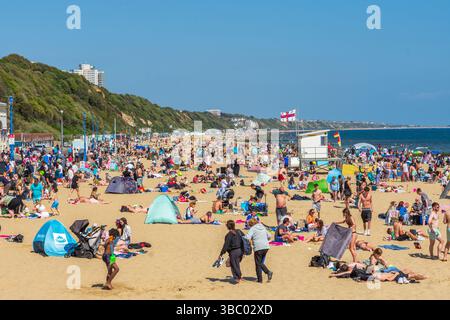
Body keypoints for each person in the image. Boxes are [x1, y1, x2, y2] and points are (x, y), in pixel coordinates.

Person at [245, 218, 273, 283]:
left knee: (258, 263)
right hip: (266, 246)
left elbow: (247, 237)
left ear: (251, 224)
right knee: (259, 263)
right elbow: (269, 235)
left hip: (258, 247)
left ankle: (268, 272)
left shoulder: (253, 228)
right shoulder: (262, 227)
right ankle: (259, 280)